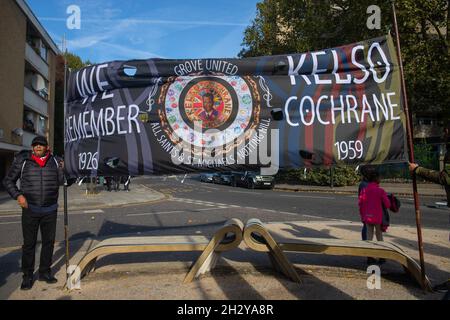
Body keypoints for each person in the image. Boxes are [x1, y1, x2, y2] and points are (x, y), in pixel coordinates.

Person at [3, 136, 64, 290]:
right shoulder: (23, 161)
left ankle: (45, 272)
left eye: (41, 145)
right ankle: (27, 276)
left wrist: (66, 169)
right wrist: (18, 196)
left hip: (50, 210)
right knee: (29, 244)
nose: (38, 147)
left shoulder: (56, 161)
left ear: (47, 147)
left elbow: (64, 181)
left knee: (48, 243)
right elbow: (8, 181)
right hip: (30, 209)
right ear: (32, 147)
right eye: (35, 145)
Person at [358, 167, 391, 265]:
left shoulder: (365, 189)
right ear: (377, 179)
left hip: (368, 217)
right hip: (377, 218)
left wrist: (363, 215)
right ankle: (382, 256)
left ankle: (370, 257)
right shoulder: (380, 191)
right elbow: (387, 204)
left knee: (369, 237)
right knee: (379, 236)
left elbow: (361, 202)